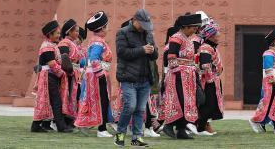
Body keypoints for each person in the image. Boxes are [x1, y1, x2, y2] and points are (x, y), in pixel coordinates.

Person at [115, 9, 158, 147]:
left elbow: (155, 56)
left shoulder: (148, 34)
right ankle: (120, 134)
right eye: (142, 24)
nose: (144, 27)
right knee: (130, 107)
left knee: (140, 109)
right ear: (135, 20)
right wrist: (142, 50)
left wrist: (152, 51)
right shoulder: (122, 33)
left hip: (145, 79)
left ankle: (137, 138)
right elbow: (122, 53)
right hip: (128, 77)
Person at [161, 13, 202, 140]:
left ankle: (181, 130)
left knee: (189, 103)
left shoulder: (188, 39)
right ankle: (169, 124)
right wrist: (180, 71)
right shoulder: (176, 38)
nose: (194, 31)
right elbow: (171, 57)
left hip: (188, 76)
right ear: (185, 27)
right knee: (181, 101)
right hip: (178, 76)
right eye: (193, 28)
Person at [77, 11, 115, 137]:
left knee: (98, 101)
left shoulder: (95, 41)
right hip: (97, 75)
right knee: (102, 101)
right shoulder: (98, 42)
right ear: (102, 28)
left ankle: (95, 125)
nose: (108, 28)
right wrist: (100, 74)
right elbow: (93, 59)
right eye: (107, 26)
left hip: (94, 74)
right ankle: (102, 129)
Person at [32, 20, 73, 133]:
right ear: (50, 34)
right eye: (57, 33)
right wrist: (62, 74)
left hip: (49, 76)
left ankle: (36, 126)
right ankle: (61, 126)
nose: (59, 36)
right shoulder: (47, 47)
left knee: (48, 101)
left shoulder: (50, 45)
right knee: (56, 102)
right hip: (49, 77)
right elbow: (52, 64)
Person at [249, 26, 275, 135]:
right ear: (273, 42)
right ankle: (255, 120)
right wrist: (273, 82)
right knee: (269, 103)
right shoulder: (268, 54)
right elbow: (268, 69)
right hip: (271, 83)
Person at [195, 20, 224, 136]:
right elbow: (205, 65)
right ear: (211, 36)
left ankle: (202, 126)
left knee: (211, 105)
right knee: (209, 105)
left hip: (213, 80)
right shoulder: (206, 48)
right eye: (217, 33)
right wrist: (210, 77)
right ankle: (200, 128)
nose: (219, 35)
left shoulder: (211, 47)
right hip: (208, 82)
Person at [58, 19, 83, 130]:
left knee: (74, 97)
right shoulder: (64, 43)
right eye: (76, 31)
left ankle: (71, 120)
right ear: (69, 32)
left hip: (75, 74)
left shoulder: (73, 43)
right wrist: (70, 71)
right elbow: (64, 59)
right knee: (67, 97)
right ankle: (65, 121)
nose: (78, 33)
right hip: (68, 74)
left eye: (78, 31)